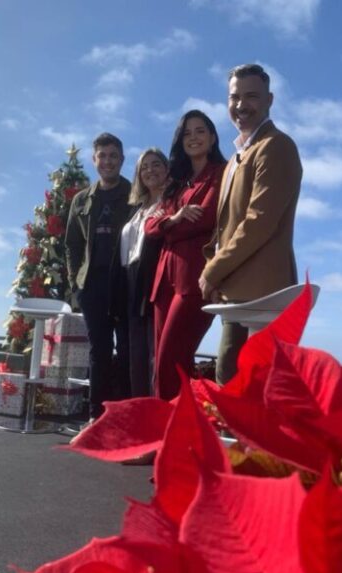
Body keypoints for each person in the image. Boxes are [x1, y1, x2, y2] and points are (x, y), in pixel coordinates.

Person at [199, 63, 303, 384]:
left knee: (239, 385)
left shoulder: (276, 146)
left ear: (270, 100)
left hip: (262, 298)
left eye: (252, 96)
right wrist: (219, 275)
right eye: (234, 97)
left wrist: (212, 271)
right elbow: (225, 228)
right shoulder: (234, 159)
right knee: (231, 382)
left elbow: (259, 222)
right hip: (238, 293)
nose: (241, 105)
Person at [144, 110, 226, 400]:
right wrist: (176, 219)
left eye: (200, 130)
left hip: (193, 279)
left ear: (213, 136)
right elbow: (150, 225)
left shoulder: (221, 172)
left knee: (171, 362)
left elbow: (206, 217)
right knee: (162, 364)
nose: (193, 137)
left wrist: (170, 224)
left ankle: (171, 435)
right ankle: (176, 432)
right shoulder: (176, 182)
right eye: (187, 133)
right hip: (163, 280)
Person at [65, 133, 132, 421]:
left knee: (129, 351)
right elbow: (72, 244)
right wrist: (75, 283)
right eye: (102, 156)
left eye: (113, 156)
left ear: (122, 160)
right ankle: (96, 416)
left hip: (126, 284)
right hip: (92, 285)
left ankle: (126, 415)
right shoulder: (81, 200)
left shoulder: (135, 195)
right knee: (99, 352)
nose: (107, 161)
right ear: (94, 160)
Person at [118, 148, 169, 397]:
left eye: (156, 164)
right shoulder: (136, 208)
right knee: (135, 351)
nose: (150, 170)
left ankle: (156, 412)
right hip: (131, 279)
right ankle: (138, 409)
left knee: (153, 351)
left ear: (167, 169)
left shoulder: (171, 202)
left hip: (153, 277)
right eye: (144, 167)